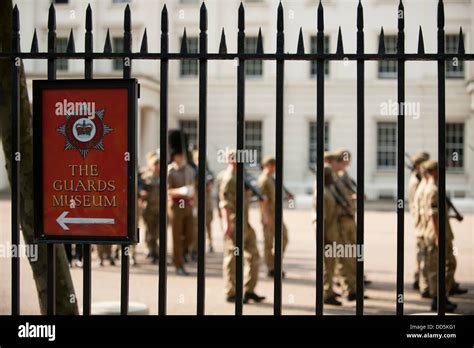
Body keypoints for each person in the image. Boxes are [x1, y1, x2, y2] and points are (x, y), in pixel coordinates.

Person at [219, 151, 265, 303]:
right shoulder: (229, 179)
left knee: (253, 255)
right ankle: (231, 292)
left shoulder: (240, 177)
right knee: (233, 257)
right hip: (234, 223)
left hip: (245, 223)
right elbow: (225, 204)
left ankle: (249, 289)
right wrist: (227, 224)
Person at [421, 160, 457, 312]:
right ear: (434, 171)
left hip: (440, 232)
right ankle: (438, 298)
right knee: (442, 266)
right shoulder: (433, 190)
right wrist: (437, 236)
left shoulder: (433, 188)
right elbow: (434, 215)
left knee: (443, 265)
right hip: (437, 233)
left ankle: (441, 297)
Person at [327, 152, 358, 301]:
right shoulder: (329, 180)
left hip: (346, 220)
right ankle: (345, 288)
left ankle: (350, 286)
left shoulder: (338, 177)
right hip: (338, 224)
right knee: (342, 257)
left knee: (348, 256)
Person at [167, 130, 196, 276]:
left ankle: (183, 253)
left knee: (190, 235)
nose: (182, 157)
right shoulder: (170, 171)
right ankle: (178, 264)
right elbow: (167, 191)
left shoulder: (190, 170)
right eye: (180, 155)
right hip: (175, 205)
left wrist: (194, 203)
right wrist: (181, 191)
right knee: (176, 237)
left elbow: (193, 188)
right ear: (175, 156)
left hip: (188, 205)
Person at [257, 156, 289, 278]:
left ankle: (276, 263)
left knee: (283, 238)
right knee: (269, 242)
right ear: (269, 165)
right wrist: (266, 217)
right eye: (274, 166)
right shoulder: (264, 180)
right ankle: (271, 267)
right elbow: (262, 201)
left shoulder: (271, 179)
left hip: (276, 215)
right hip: (269, 215)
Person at [407, 151, 430, 292]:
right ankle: (423, 283)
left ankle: (419, 279)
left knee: (422, 251)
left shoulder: (419, 178)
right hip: (421, 220)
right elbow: (419, 202)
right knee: (423, 252)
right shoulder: (416, 181)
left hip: (420, 219)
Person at [139, 150, 161, 264]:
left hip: (159, 208)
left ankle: (156, 251)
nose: (157, 167)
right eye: (155, 165)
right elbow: (140, 188)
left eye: (158, 165)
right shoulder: (145, 177)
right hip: (148, 209)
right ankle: (150, 249)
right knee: (149, 231)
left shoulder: (163, 177)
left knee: (157, 232)